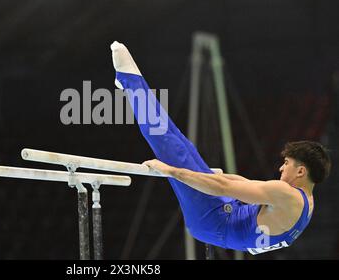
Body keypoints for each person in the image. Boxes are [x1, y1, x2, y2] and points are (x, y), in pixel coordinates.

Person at [110, 41, 331, 254]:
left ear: (301, 170)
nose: (281, 168)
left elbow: (223, 187)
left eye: (287, 163)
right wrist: (218, 175)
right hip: (226, 213)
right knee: (184, 146)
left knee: (168, 145)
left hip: (213, 220)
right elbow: (247, 185)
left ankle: (130, 81)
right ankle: (129, 83)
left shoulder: (287, 194)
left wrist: (170, 171)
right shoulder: (307, 203)